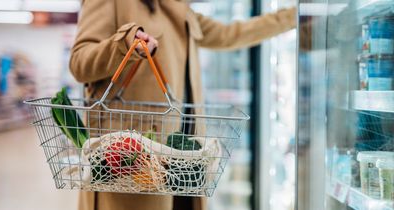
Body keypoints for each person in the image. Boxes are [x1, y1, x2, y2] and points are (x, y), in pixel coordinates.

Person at [69, 0, 296, 210]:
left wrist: (294, 16)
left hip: (183, 163)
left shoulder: (178, 7)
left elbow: (229, 34)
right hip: (131, 166)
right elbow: (79, 63)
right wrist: (125, 43)